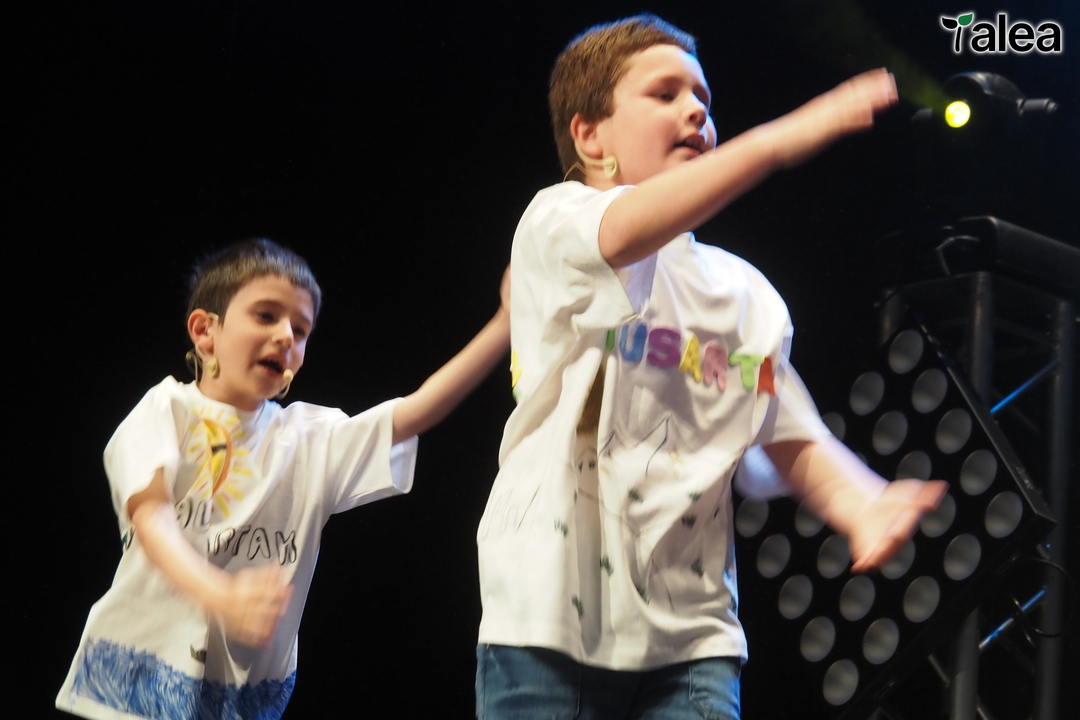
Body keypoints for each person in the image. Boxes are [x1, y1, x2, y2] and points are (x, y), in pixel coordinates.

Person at [474, 15, 946, 720]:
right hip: (548, 628)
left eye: (703, 98)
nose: (696, 110)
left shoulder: (742, 293)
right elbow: (625, 229)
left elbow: (783, 428)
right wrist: (778, 141)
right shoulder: (556, 223)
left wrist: (861, 504)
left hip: (694, 640)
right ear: (590, 137)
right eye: (664, 94)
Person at [57, 238, 509, 720]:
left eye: (300, 329)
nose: (285, 337)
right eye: (266, 315)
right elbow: (151, 518)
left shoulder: (308, 438)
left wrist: (504, 323)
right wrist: (219, 595)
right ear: (205, 331)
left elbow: (413, 413)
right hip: (129, 687)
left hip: (240, 700)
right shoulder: (165, 409)